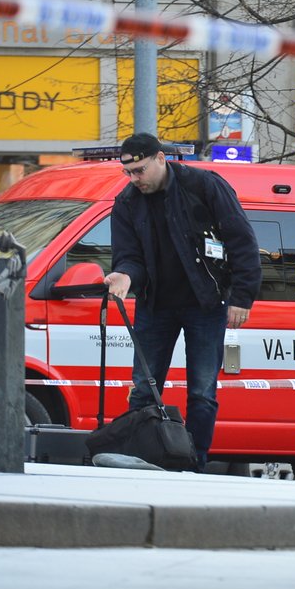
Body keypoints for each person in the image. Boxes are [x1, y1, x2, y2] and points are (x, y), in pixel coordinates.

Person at [104, 132, 261, 469]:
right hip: (154, 304)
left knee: (202, 393)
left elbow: (241, 240)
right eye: (128, 173)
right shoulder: (127, 203)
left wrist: (242, 297)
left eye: (140, 171)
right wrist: (125, 276)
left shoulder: (204, 186)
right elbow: (129, 256)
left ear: (161, 158)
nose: (134, 180)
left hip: (205, 304)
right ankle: (141, 458)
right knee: (144, 391)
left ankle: (195, 463)